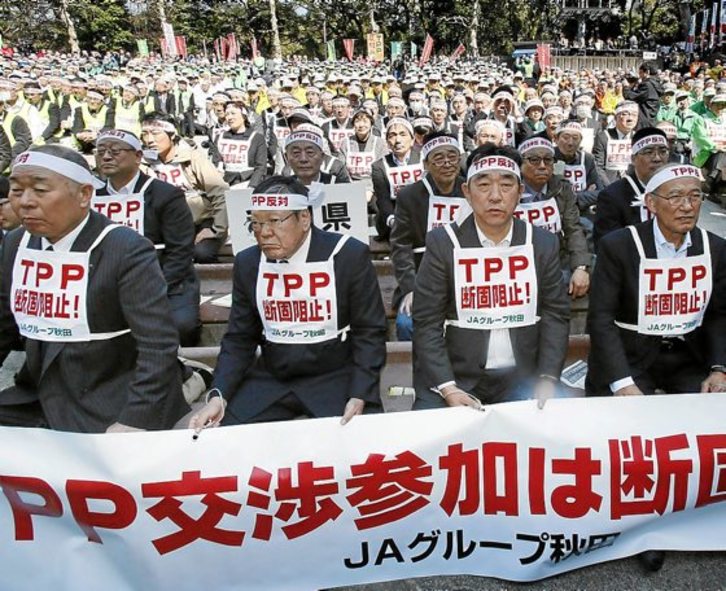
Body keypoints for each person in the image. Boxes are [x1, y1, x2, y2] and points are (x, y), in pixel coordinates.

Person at [0, 145, 188, 432]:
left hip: (113, 396)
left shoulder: (125, 248)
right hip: (40, 394)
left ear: (84, 195)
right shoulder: (16, 242)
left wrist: (134, 420)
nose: (25, 202)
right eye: (16, 190)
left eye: (40, 190)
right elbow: (4, 324)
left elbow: (158, 345)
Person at [188, 176, 387, 428]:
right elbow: (240, 337)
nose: (264, 233)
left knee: (363, 437)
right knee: (220, 433)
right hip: (273, 376)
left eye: (274, 221)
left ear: (304, 219)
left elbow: (370, 330)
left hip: (335, 373)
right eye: (256, 223)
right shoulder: (249, 262)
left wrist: (360, 392)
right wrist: (219, 395)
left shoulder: (347, 255)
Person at [412, 144, 570, 410]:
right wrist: (448, 388)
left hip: (524, 376)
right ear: (467, 192)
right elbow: (427, 322)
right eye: (484, 185)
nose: (495, 196)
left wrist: (547, 377)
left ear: (520, 191)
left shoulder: (542, 242)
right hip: (455, 377)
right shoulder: (443, 243)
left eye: (506, 186)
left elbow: (555, 314)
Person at [93, 129, 201, 346]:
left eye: (115, 151)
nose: (106, 157)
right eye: (101, 151)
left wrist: (153, 287)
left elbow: (180, 250)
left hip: (164, 280)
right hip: (107, 283)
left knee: (181, 326)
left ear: (138, 156)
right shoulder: (91, 196)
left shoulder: (166, 194)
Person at [390, 132, 467, 341]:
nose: (447, 163)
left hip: (466, 277)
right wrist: (411, 288)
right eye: (439, 158)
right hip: (422, 276)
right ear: (426, 164)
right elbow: (401, 246)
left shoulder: (471, 190)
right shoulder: (409, 195)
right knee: (407, 323)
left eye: (452, 156)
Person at [141, 114, 230, 263]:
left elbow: (220, 192)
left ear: (172, 135)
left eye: (155, 133)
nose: (149, 140)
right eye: (145, 134)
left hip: (199, 221)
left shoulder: (192, 157)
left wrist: (217, 229)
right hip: (164, 223)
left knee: (203, 253)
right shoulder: (142, 162)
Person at [518, 137, 591, 299]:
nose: (542, 166)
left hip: (556, 260)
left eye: (548, 160)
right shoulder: (508, 189)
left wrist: (581, 267)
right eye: (534, 160)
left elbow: (573, 229)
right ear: (520, 164)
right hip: (519, 263)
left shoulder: (562, 188)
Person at [593, 127, 669, 251]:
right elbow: (607, 246)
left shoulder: (677, 191)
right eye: (648, 152)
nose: (657, 158)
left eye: (663, 151)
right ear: (633, 159)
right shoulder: (612, 196)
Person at [371, 117, 423, 240]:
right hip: (394, 220)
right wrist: (393, 221)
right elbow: (383, 199)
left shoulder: (425, 160)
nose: (398, 140)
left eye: (403, 134)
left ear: (412, 140)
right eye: (392, 135)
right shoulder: (379, 166)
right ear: (387, 142)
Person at [210, 101, 267, 189]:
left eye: (233, 113)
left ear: (244, 116)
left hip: (248, 182)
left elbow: (261, 167)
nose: (229, 117)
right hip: (226, 183)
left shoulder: (257, 138)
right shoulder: (220, 137)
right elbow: (216, 161)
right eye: (227, 114)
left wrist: (252, 186)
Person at [592, 100, 640, 185]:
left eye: (634, 115)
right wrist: (609, 187)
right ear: (615, 117)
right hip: (609, 184)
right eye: (625, 114)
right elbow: (598, 167)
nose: (630, 119)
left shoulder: (639, 138)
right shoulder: (603, 137)